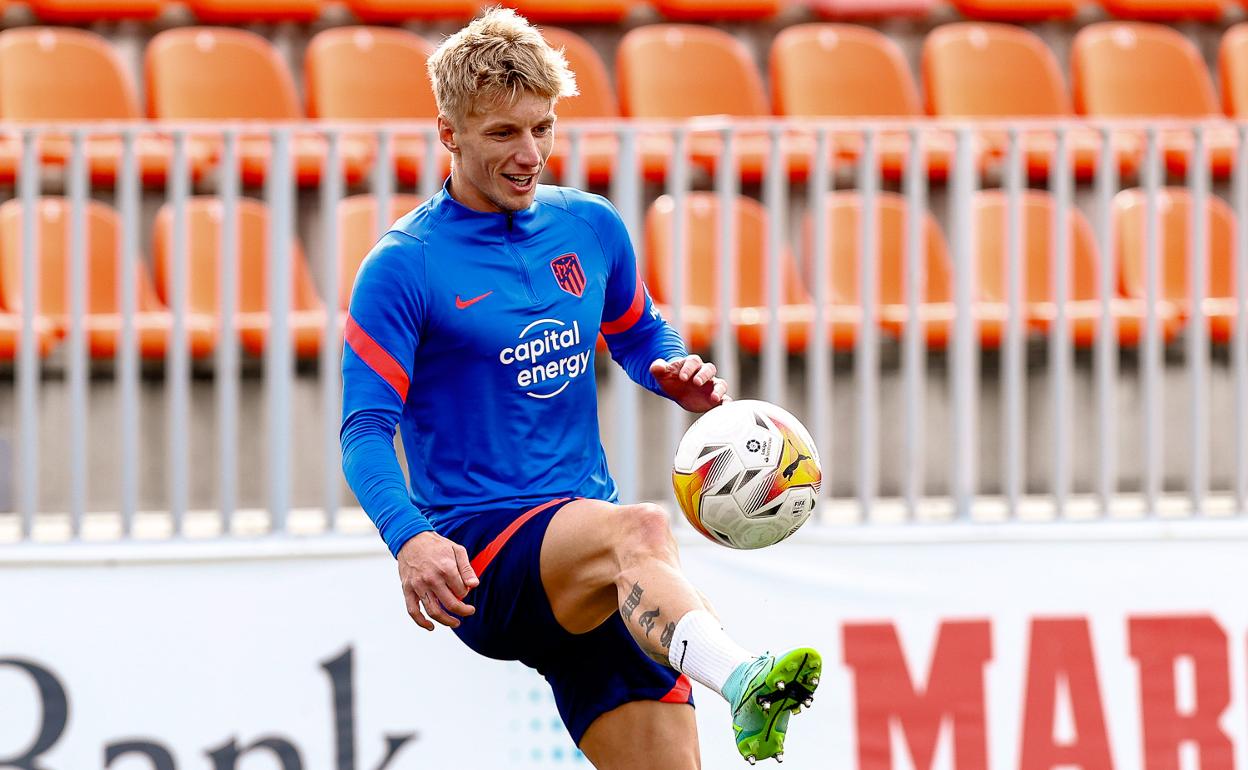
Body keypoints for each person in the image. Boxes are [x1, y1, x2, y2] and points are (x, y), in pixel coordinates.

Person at [339, 8, 819, 767]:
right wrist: (410, 540)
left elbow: (636, 332)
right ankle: (745, 679)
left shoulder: (589, 227)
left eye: (542, 128)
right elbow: (363, 432)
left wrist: (669, 370)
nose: (530, 153)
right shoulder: (404, 265)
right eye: (503, 134)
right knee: (643, 530)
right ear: (448, 133)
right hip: (483, 554)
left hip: (595, 568)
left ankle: (738, 684)